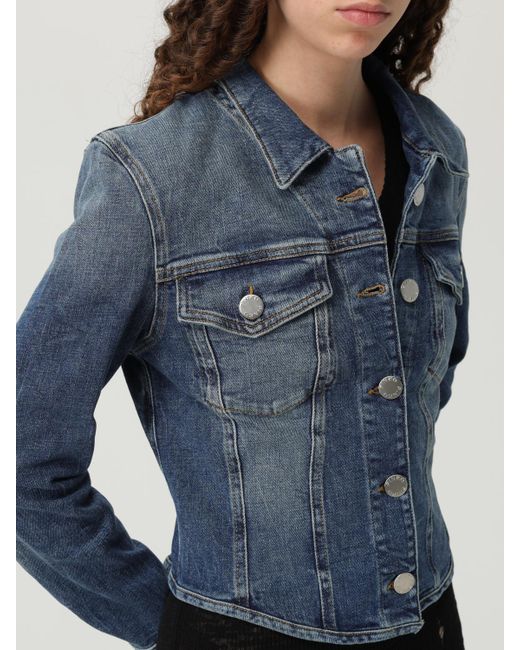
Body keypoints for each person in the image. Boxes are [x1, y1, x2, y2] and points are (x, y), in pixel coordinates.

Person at [16, 1, 470, 648]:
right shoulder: (152, 176)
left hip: (432, 621)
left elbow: (422, 390)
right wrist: (172, 628)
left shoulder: (435, 150)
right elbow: (23, 462)